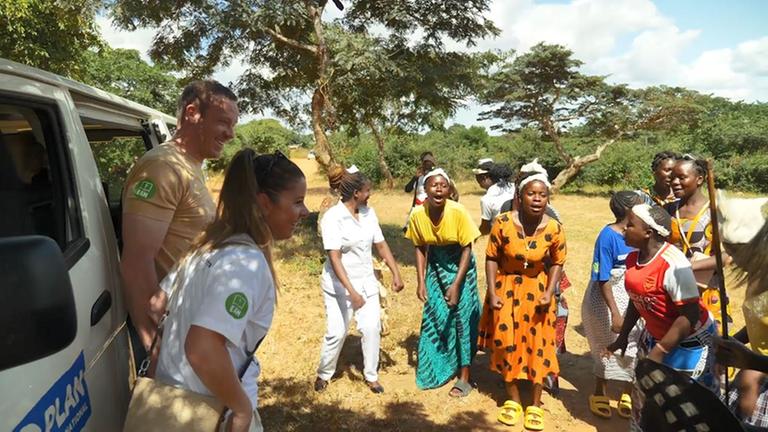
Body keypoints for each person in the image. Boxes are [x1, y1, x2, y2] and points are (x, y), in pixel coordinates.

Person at [154, 149, 309, 432]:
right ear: (264, 203)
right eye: (298, 201)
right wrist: (240, 408)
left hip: (171, 403)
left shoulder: (205, 244)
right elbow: (202, 347)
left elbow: (157, 305)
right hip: (212, 412)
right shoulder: (245, 263)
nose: (306, 211)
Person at [121, 80, 238, 356]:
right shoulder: (163, 166)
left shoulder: (191, 164)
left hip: (189, 321)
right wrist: (155, 345)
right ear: (192, 113)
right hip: (169, 331)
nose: (230, 134)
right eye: (223, 122)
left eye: (233, 125)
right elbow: (136, 263)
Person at [605, 204, 718, 432]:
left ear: (648, 232)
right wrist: (623, 336)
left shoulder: (674, 266)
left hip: (689, 344)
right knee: (647, 397)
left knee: (683, 406)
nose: (624, 229)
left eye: (630, 225)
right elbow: (636, 299)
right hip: (657, 338)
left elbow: (690, 314)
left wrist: (660, 352)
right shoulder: (633, 259)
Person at [479, 170, 567, 431]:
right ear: (520, 197)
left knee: (538, 343)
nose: (537, 199)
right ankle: (514, 400)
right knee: (507, 344)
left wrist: (550, 291)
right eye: (531, 194)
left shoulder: (554, 228)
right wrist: (493, 292)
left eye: (542, 195)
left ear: (548, 199)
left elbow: (558, 262)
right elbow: (492, 257)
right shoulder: (503, 222)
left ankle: (536, 404)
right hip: (505, 287)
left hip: (538, 291)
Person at [315, 166, 404, 394]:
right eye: (367, 191)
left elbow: (381, 244)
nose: (370, 194)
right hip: (339, 285)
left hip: (366, 282)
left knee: (372, 328)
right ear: (356, 193)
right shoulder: (333, 218)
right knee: (337, 332)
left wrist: (396, 272)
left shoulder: (368, 213)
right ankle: (324, 373)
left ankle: (371, 376)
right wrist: (351, 292)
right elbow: (334, 258)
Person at [404, 168, 481, 397]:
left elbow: (467, 247)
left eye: (443, 185)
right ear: (425, 189)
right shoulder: (418, 214)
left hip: (461, 267)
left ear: (449, 190)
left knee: (462, 317)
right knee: (435, 316)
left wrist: (457, 284)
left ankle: (465, 376)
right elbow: (419, 246)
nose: (438, 189)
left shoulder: (457, 212)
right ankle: (436, 367)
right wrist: (421, 281)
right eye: (433, 185)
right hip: (435, 266)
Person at [581, 191, 644, 420]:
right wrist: (615, 314)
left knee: (634, 344)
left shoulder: (642, 233)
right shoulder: (608, 236)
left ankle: (627, 391)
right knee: (604, 343)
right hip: (607, 297)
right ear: (629, 211)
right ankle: (601, 390)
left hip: (633, 295)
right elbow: (603, 277)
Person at [665, 155, 731, 327]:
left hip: (707, 289)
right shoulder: (669, 210)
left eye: (682, 177)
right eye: (672, 178)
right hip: (673, 288)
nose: (675, 182)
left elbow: (728, 256)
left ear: (700, 179)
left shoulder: (716, 212)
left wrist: (688, 267)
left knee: (710, 343)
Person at [474, 159, 516, 235]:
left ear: (484, 177)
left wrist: (476, 236)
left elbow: (485, 228)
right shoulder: (516, 187)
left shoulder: (487, 199)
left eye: (478, 178)